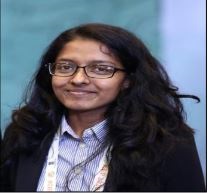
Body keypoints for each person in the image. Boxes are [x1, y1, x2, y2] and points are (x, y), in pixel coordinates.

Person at [0, 23, 205, 192]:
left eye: (100, 69)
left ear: (128, 81)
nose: (78, 79)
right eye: (66, 67)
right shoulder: (25, 133)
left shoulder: (166, 142)